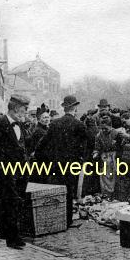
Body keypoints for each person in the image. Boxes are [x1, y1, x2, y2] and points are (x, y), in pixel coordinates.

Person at [0, 94, 32, 249]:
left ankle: (9, 233)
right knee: (10, 201)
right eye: (24, 109)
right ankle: (12, 238)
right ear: (15, 109)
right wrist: (3, 170)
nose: (26, 112)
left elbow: (24, 147)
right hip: (7, 171)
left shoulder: (20, 125)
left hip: (21, 171)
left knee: (17, 201)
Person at [36, 95, 88, 228]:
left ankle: (57, 218)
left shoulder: (54, 123)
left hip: (56, 163)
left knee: (57, 190)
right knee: (69, 190)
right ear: (74, 108)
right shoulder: (79, 125)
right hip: (72, 164)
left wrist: (41, 158)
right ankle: (68, 219)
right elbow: (85, 146)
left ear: (64, 108)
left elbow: (43, 144)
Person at [93, 115, 121, 198]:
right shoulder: (99, 135)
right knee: (104, 175)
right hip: (104, 157)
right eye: (102, 128)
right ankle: (106, 194)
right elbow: (97, 147)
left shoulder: (116, 133)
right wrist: (96, 153)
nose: (104, 130)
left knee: (114, 176)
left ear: (110, 126)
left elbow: (120, 147)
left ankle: (114, 194)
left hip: (114, 156)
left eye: (106, 128)